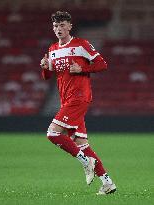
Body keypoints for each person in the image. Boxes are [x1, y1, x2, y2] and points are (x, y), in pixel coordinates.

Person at [40, 11, 116, 195]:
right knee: (82, 144)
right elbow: (48, 76)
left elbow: (102, 64)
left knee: (52, 133)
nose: (59, 29)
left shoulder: (81, 44)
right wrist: (45, 67)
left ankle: (85, 162)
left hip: (79, 97)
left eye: (63, 25)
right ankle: (107, 183)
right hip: (66, 99)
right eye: (56, 26)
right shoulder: (52, 49)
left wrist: (82, 68)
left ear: (70, 26)